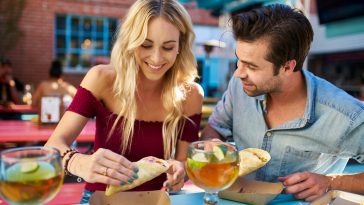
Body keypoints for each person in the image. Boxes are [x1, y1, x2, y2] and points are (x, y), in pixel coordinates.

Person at [201, 4, 364, 202]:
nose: (238, 73)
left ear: (287, 66)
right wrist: (213, 144)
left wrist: (331, 182)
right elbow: (215, 127)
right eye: (239, 60)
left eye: (251, 66)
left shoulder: (346, 115)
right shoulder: (240, 86)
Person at [45, 0, 203, 203]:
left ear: (180, 46)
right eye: (146, 45)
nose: (156, 58)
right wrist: (79, 162)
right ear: (130, 41)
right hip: (100, 199)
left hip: (158, 200)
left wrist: (181, 170)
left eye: (168, 47)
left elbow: (183, 161)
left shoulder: (191, 95)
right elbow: (52, 147)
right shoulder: (101, 79)